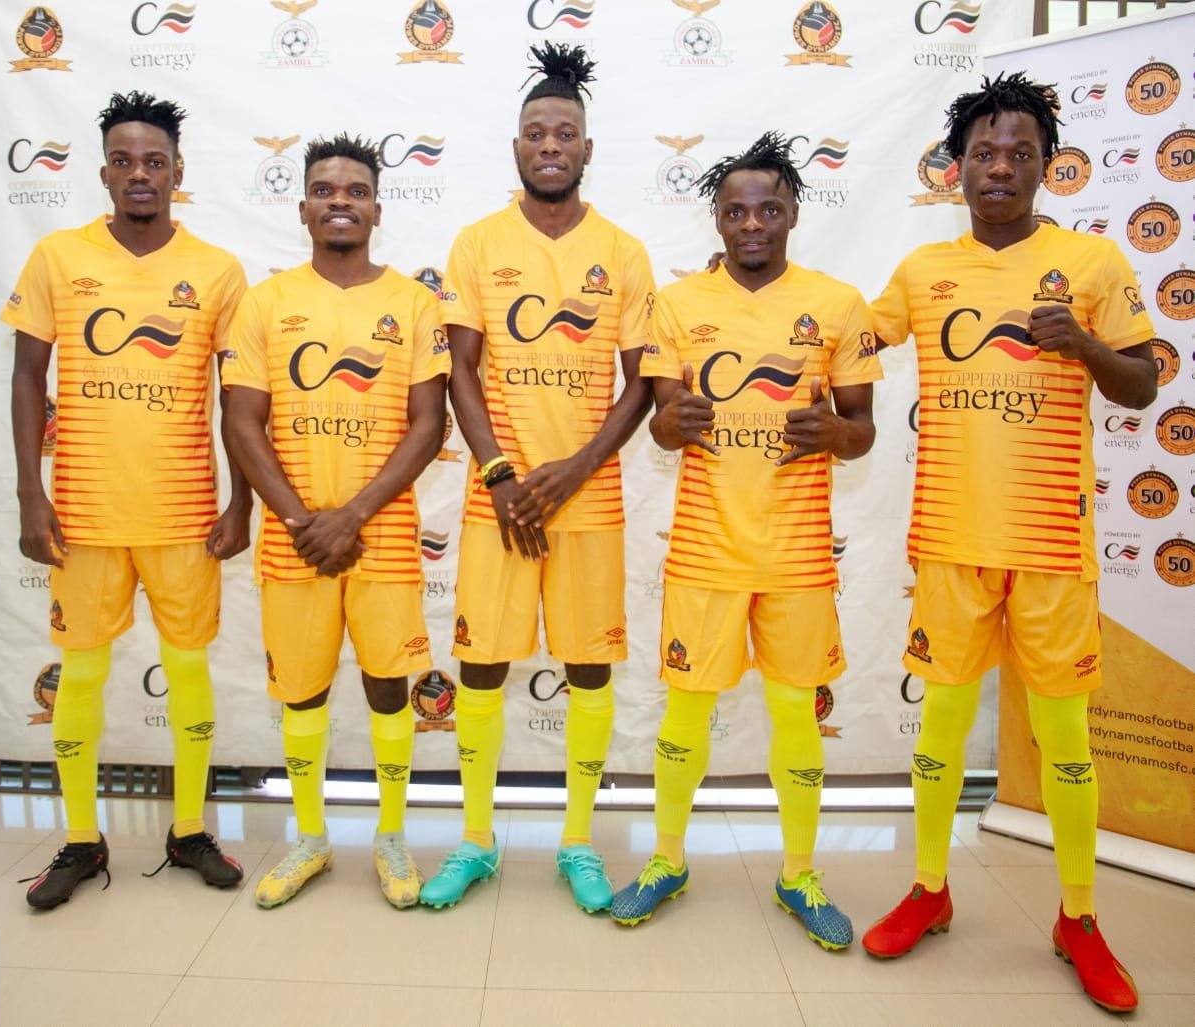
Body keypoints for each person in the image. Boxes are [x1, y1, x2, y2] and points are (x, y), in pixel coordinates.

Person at [861, 73, 1157, 1014]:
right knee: (942, 730)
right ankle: (929, 888)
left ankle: (1079, 917)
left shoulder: (1092, 262)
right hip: (952, 542)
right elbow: (850, 340)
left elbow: (1142, 385)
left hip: (1051, 547)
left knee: (1064, 736)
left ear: (1046, 166)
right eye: (983, 153)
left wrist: (1086, 346)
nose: (1000, 168)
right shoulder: (923, 272)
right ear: (956, 168)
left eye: (1019, 153)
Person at [609, 132, 880, 946]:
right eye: (736, 211)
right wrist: (672, 421)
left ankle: (799, 873)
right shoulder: (679, 304)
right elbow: (661, 424)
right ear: (718, 220)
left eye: (768, 209)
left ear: (793, 212)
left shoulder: (838, 303)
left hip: (797, 555)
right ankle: (667, 860)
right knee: (685, 715)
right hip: (705, 549)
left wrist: (834, 432)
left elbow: (863, 430)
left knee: (796, 714)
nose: (752, 224)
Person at [419, 43, 655, 913]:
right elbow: (459, 369)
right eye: (534, 133)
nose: (549, 145)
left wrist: (577, 468)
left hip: (587, 503)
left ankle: (578, 841)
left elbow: (644, 380)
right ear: (515, 147)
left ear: (587, 148)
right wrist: (501, 474)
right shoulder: (478, 243)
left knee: (589, 670)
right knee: (480, 666)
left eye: (564, 133)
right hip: (500, 501)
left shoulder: (622, 252)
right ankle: (477, 840)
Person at [5, 91, 250, 909]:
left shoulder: (217, 270)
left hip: (184, 517)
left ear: (178, 172)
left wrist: (241, 501)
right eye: (123, 160)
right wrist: (29, 492)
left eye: (154, 161)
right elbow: (26, 377)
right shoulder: (57, 256)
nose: (139, 173)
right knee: (80, 674)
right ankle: (81, 838)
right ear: (104, 171)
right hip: (82, 514)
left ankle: (189, 830)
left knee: (187, 670)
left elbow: (239, 399)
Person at [222, 134, 449, 909]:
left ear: (378, 209)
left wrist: (351, 514)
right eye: (324, 190)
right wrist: (300, 519)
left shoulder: (414, 303)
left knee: (388, 683)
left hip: (380, 534)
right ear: (302, 209)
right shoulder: (266, 302)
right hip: (296, 540)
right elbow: (242, 420)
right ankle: (311, 837)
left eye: (355, 190)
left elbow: (429, 423)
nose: (340, 201)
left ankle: (390, 834)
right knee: (302, 691)